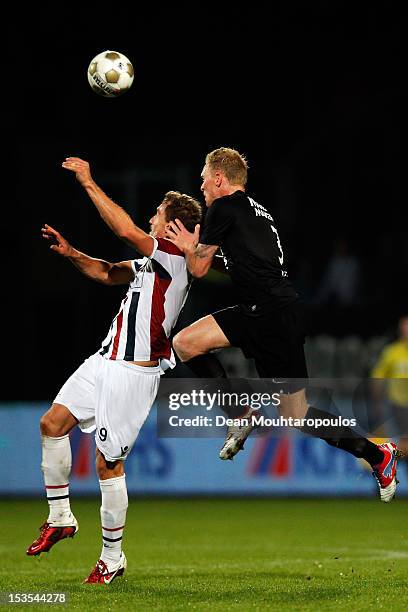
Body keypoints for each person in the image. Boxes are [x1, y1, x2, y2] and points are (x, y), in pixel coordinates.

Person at [165, 147, 401, 502]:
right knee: (184, 343)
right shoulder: (257, 213)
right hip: (262, 310)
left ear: (219, 179)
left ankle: (378, 456)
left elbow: (198, 269)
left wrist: (189, 247)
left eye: (203, 180)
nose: (201, 187)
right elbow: (239, 267)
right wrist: (201, 253)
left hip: (273, 317)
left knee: (297, 415)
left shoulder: (222, 208)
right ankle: (241, 412)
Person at [26, 157, 202, 584]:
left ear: (172, 227)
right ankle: (61, 517)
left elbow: (124, 231)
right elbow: (108, 272)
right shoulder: (151, 263)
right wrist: (72, 254)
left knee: (108, 465)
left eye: (157, 215)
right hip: (103, 362)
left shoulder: (176, 258)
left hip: (132, 374)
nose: (149, 219)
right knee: (52, 424)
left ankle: (113, 556)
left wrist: (88, 182)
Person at [371, 314, 408, 460]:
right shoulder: (391, 352)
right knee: (404, 443)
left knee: (404, 446)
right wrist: (376, 402)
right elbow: (378, 378)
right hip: (398, 406)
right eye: (404, 326)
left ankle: (385, 465)